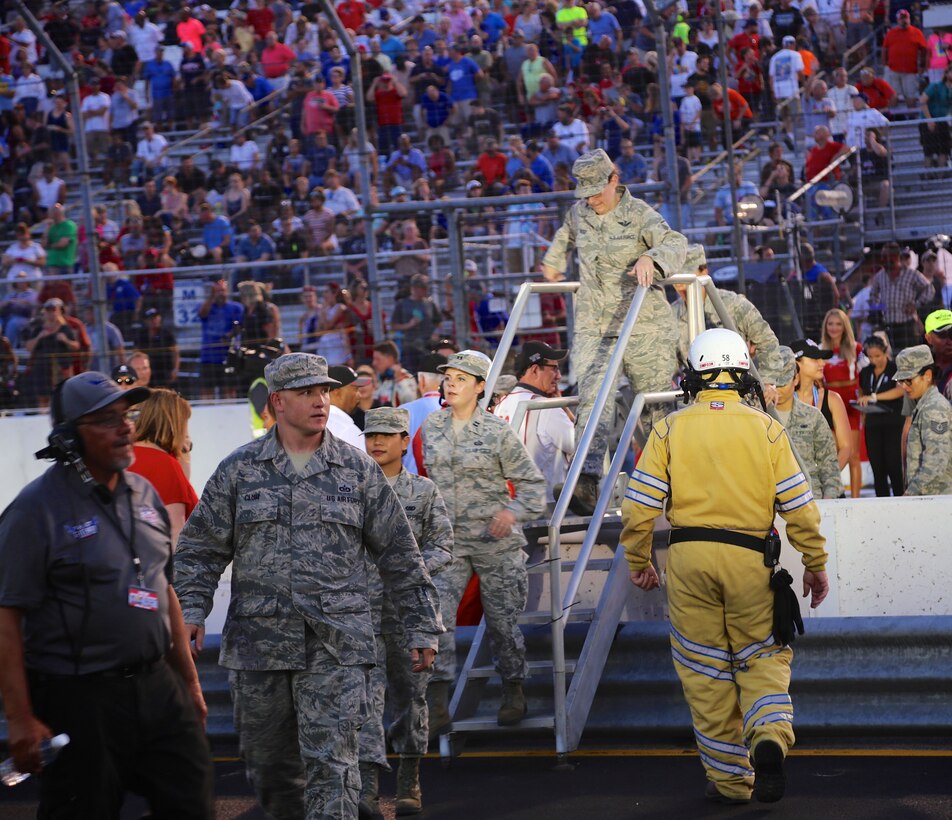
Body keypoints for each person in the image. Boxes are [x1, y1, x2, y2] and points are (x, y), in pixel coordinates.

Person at [174, 353, 443, 819]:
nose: (320, 401)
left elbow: (400, 553)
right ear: (277, 401)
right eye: (305, 393)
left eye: (322, 391)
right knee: (271, 766)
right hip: (260, 646)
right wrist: (191, 609)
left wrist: (422, 626)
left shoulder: (356, 470)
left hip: (337, 645)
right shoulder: (240, 470)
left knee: (333, 763)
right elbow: (200, 548)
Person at [621, 328, 829, 805]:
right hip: (751, 559)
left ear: (695, 374)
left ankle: (733, 783)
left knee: (703, 671)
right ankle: (769, 738)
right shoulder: (767, 427)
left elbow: (639, 508)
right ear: (740, 373)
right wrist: (815, 563)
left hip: (688, 560)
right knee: (762, 657)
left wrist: (639, 559)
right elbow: (799, 507)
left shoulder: (669, 428)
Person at [0, 372, 214, 818]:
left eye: (126, 416)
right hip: (79, 698)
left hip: (158, 687)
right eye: (106, 420)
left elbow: (163, 589)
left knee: (191, 802)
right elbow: (7, 616)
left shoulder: (146, 493)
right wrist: (19, 716)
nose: (125, 427)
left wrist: (189, 684)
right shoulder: (33, 511)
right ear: (69, 438)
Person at [541, 148, 686, 515]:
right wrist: (553, 263)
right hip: (595, 325)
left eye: (596, 191)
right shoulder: (579, 213)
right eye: (585, 193)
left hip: (643, 327)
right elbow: (565, 234)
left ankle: (672, 484)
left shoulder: (640, 215)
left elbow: (675, 243)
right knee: (592, 401)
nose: (591, 200)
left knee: (654, 406)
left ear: (614, 180)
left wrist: (651, 258)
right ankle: (588, 481)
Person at [420, 351, 546, 734]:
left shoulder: (496, 431)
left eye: (462, 378)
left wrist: (511, 513)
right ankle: (438, 699)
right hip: (448, 544)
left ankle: (513, 690)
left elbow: (533, 487)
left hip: (496, 543)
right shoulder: (431, 428)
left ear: (480, 387)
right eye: (448, 377)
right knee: (436, 618)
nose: (452, 383)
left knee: (503, 623)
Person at [358, 406, 454, 817]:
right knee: (361, 703)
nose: (377, 442)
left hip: (408, 613)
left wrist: (408, 568)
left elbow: (444, 545)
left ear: (403, 441)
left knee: (410, 701)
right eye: (370, 435)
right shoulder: (350, 489)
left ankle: (408, 782)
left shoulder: (424, 492)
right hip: (360, 616)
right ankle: (364, 790)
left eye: (386, 435)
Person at [673, 244, 785, 401]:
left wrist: (768, 382)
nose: (679, 284)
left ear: (704, 272)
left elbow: (767, 341)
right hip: (696, 401)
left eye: (687, 276)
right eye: (676, 277)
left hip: (738, 397)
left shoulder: (733, 304)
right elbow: (668, 363)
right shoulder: (673, 314)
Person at [493, 341, 575, 505]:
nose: (558, 376)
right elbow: (583, 446)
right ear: (535, 370)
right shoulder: (547, 407)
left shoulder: (501, 404)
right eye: (554, 368)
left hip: (511, 505)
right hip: (547, 507)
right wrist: (565, 409)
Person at [128, 387, 198, 546]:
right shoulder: (164, 465)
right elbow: (174, 533)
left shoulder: (123, 456)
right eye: (184, 423)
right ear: (171, 424)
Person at [773, 346, 841, 499]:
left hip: (809, 499)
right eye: (774, 383)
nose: (778, 390)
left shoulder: (812, 417)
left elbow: (829, 464)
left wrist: (829, 500)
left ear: (796, 379)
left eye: (783, 383)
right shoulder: (757, 418)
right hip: (768, 503)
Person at [792, 338, 851, 484]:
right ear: (796, 363)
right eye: (814, 358)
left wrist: (828, 480)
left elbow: (846, 447)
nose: (822, 364)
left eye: (821, 359)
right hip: (793, 488)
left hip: (826, 486)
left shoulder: (832, 399)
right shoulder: (780, 400)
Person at [895, 345, 952, 495]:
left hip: (936, 501)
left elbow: (936, 463)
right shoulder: (923, 405)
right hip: (928, 500)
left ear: (927, 375)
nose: (904, 387)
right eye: (901, 381)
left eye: (908, 380)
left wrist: (910, 494)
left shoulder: (934, 408)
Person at [820, 309, 864, 497]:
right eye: (830, 324)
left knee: (853, 454)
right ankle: (831, 491)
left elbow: (864, 379)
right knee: (833, 452)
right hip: (829, 404)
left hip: (851, 404)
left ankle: (855, 500)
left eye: (838, 324)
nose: (834, 328)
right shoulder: (820, 349)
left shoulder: (856, 349)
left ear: (845, 326)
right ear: (825, 326)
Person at [856, 335, 906, 496]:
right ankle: (881, 502)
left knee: (894, 465)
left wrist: (875, 397)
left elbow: (900, 390)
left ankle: (900, 499)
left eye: (877, 356)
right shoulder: (865, 371)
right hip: (873, 423)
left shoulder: (894, 368)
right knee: (877, 467)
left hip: (893, 422)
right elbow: (863, 392)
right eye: (870, 356)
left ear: (885, 352)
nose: (874, 360)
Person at [326, 364, 369, 448]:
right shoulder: (349, 431)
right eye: (355, 389)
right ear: (337, 392)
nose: (359, 395)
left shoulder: (310, 423)